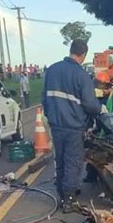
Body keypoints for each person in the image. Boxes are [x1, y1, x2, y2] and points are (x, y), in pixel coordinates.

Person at [42, 39, 101, 213]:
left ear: (71, 50)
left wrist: (50, 115)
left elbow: (44, 99)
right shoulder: (81, 75)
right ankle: (69, 199)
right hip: (74, 126)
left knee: (60, 159)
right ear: (83, 55)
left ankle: (62, 190)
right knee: (73, 162)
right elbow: (90, 104)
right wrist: (100, 109)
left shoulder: (52, 70)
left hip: (56, 124)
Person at [84, 71, 113, 183]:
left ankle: (101, 177)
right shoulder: (95, 96)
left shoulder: (112, 97)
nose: (99, 88)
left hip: (106, 130)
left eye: (102, 85)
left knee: (104, 156)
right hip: (97, 129)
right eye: (98, 85)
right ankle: (91, 175)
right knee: (93, 153)